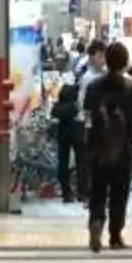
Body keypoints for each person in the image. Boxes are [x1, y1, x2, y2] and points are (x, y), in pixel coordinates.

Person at [78, 40, 132, 251]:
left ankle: (96, 221)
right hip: (124, 149)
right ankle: (115, 235)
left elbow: (87, 113)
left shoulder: (94, 86)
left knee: (98, 190)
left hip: (98, 147)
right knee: (119, 193)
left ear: (106, 59)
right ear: (125, 63)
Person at [48, 63, 83, 203]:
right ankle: (82, 192)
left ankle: (66, 193)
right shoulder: (76, 94)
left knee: (63, 162)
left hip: (63, 131)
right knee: (81, 161)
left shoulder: (62, 95)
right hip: (76, 130)